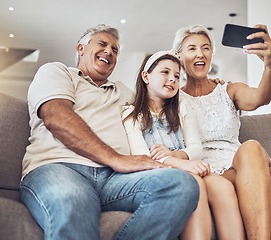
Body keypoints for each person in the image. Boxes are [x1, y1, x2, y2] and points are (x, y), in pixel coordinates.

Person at [19, 24, 200, 240]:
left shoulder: (124, 93)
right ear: (81, 49)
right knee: (72, 199)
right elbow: (55, 117)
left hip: (114, 180)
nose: (109, 52)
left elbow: (156, 98)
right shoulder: (56, 72)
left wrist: (202, 85)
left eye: (115, 50)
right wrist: (116, 159)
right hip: (60, 168)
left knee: (181, 184)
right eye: (103, 44)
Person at [172, 24, 271, 240]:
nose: (200, 53)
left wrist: (269, 66)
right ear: (179, 57)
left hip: (242, 165)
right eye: (192, 49)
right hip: (207, 169)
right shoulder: (173, 99)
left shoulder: (228, 90)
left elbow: (261, 98)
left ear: (211, 54)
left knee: (266, 164)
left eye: (206, 48)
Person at [122, 50, 245, 239]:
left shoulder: (182, 109)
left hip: (188, 166)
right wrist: (179, 163)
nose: (172, 79)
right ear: (146, 76)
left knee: (223, 187)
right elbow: (143, 157)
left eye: (177, 76)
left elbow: (197, 149)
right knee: (194, 182)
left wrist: (180, 157)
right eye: (165, 72)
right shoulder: (131, 115)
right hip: (158, 173)